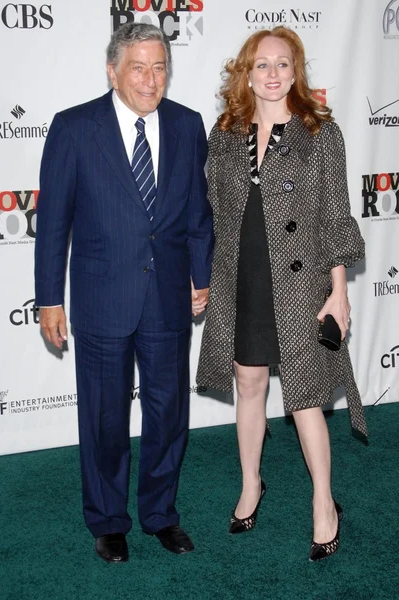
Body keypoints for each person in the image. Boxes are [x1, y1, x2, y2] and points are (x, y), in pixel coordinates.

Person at [35, 22, 213, 563]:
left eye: (159, 66)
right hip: (101, 300)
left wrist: (200, 275)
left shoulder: (187, 124)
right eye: (138, 66)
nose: (150, 78)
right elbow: (53, 224)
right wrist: (48, 298)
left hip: (166, 298)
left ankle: (161, 514)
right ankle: (109, 521)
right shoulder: (74, 128)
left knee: (167, 414)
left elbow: (199, 214)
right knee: (104, 418)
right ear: (113, 70)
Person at [197, 26, 367, 562]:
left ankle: (324, 503)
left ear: (297, 73)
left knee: (305, 399)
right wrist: (199, 276)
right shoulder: (224, 133)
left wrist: (338, 293)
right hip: (241, 273)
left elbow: (336, 216)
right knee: (248, 383)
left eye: (283, 65)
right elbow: (208, 211)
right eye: (262, 65)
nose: (272, 75)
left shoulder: (320, 132)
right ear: (246, 72)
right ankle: (251, 483)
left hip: (299, 280)